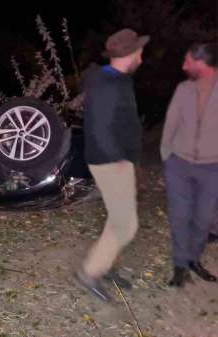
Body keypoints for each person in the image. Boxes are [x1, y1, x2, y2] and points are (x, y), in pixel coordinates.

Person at [74, 28, 149, 302]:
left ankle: (104, 266)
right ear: (129, 54)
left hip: (118, 159)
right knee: (125, 224)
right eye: (140, 50)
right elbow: (101, 127)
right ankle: (88, 273)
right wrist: (117, 159)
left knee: (119, 219)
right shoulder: (108, 83)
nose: (142, 54)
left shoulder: (116, 79)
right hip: (111, 162)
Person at [160, 41, 218, 287]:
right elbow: (170, 124)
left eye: (188, 61)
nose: (183, 66)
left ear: (202, 64)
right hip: (179, 165)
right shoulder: (183, 89)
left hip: (212, 168)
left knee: (203, 219)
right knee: (179, 217)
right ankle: (180, 266)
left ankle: (194, 259)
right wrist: (167, 158)